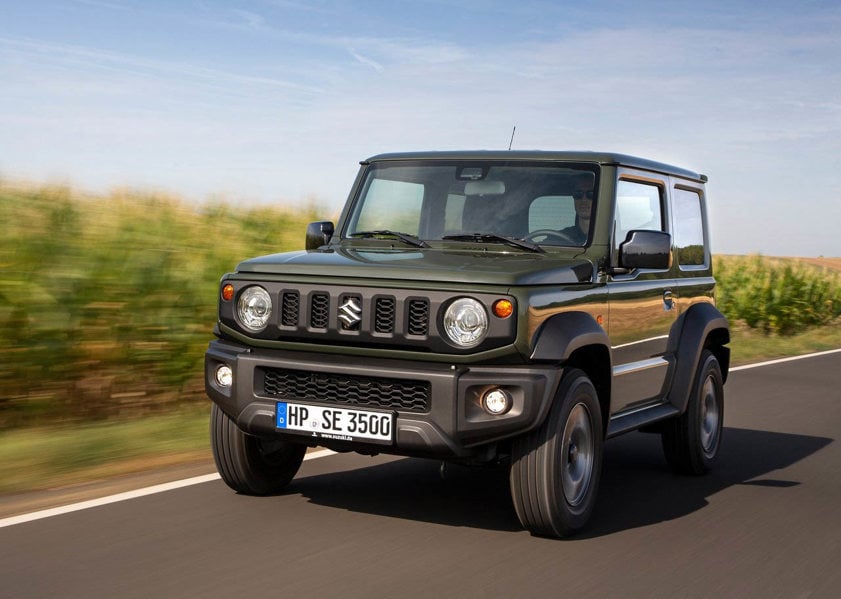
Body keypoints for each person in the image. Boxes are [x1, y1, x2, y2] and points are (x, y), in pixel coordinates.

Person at [558, 176, 594, 244]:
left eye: (590, 194)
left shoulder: (609, 238)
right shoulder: (560, 237)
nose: (584, 199)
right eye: (578, 194)